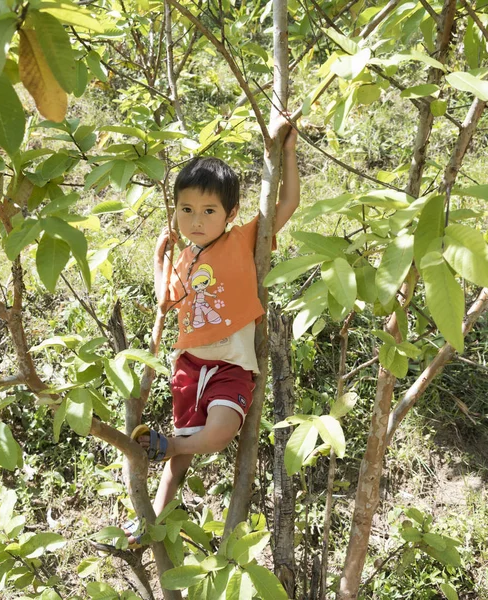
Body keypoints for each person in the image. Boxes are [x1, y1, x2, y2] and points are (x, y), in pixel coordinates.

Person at [124, 115, 299, 545]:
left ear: (230, 213)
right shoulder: (185, 260)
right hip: (189, 367)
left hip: (230, 367)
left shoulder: (243, 240)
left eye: (208, 211)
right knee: (176, 463)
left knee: (219, 433)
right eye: (186, 210)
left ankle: (171, 445)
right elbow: (166, 301)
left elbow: (288, 204)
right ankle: (146, 522)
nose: (196, 221)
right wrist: (159, 259)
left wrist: (288, 153)